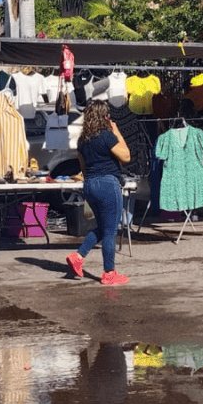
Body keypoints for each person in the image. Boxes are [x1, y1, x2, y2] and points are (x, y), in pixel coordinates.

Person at [66, 101, 131, 286]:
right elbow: (126, 156)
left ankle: (78, 256)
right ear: (105, 116)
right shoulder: (106, 136)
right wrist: (116, 131)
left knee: (103, 227)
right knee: (110, 231)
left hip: (90, 185)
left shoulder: (82, 141)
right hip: (108, 184)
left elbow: (83, 168)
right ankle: (109, 273)